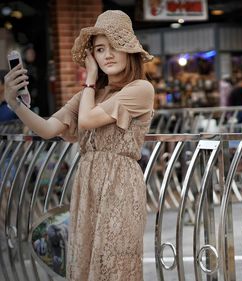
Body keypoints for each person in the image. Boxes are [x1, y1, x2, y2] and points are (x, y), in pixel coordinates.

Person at [3, 10, 154, 280]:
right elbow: (48, 129)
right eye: (99, 49)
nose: (107, 55)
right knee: (85, 266)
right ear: (92, 55)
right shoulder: (88, 94)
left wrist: (90, 79)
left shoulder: (140, 88)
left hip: (121, 185)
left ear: (128, 48)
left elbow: (86, 120)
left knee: (115, 267)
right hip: (87, 184)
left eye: (114, 46)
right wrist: (14, 104)